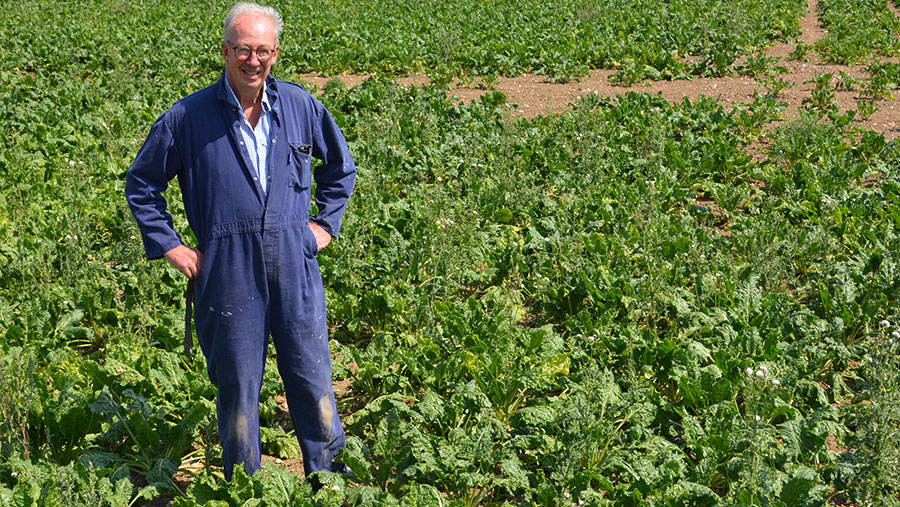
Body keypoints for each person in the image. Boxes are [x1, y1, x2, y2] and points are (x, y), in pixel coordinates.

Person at [125, 1, 355, 480]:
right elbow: (142, 184)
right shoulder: (188, 117)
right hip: (227, 269)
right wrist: (171, 245)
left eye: (264, 50)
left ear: (276, 52)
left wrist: (324, 226)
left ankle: (330, 480)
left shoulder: (300, 105)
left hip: (295, 261)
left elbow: (339, 169)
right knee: (238, 387)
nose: (254, 60)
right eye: (244, 50)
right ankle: (242, 486)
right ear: (226, 50)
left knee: (312, 378)